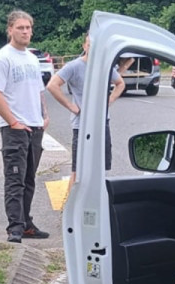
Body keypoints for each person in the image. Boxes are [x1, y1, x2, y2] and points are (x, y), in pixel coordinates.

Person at [0, 10, 50, 243]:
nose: (25, 31)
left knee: (30, 179)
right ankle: (14, 227)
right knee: (15, 179)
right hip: (14, 128)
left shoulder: (33, 59)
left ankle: (26, 223)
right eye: (21, 27)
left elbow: (39, 90)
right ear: (10, 29)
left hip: (35, 126)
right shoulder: (3, 58)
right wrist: (13, 121)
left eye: (28, 27)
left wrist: (45, 114)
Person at [46, 33, 126, 193]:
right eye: (89, 44)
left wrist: (109, 100)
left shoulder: (105, 66)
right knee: (78, 170)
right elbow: (52, 85)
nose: (92, 48)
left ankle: (96, 204)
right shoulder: (74, 66)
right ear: (84, 46)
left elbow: (120, 83)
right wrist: (71, 106)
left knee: (100, 168)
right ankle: (68, 210)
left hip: (102, 123)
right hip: (82, 125)